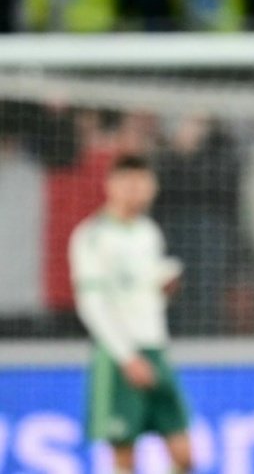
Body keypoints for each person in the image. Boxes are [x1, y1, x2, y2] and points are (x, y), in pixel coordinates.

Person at [69, 155, 193, 474]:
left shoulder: (149, 232)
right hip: (119, 354)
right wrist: (127, 356)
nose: (137, 190)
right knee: (125, 458)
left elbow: (145, 294)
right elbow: (91, 304)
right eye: (130, 183)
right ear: (111, 186)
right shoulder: (92, 236)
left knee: (184, 454)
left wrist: (163, 289)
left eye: (143, 183)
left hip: (155, 347)